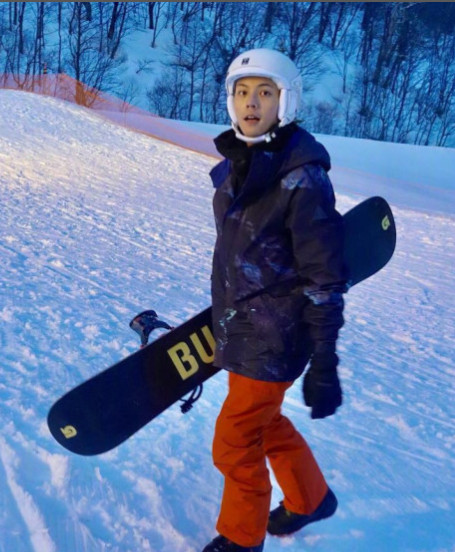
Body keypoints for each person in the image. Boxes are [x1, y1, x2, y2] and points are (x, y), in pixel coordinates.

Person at [202, 48, 346, 552]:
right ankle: (311, 498)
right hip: (246, 328)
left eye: (265, 92)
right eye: (242, 92)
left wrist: (325, 358)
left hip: (276, 336)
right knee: (265, 422)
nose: (251, 103)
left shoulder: (300, 177)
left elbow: (324, 275)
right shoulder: (239, 165)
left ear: (285, 101)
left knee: (234, 440)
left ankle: (242, 539)